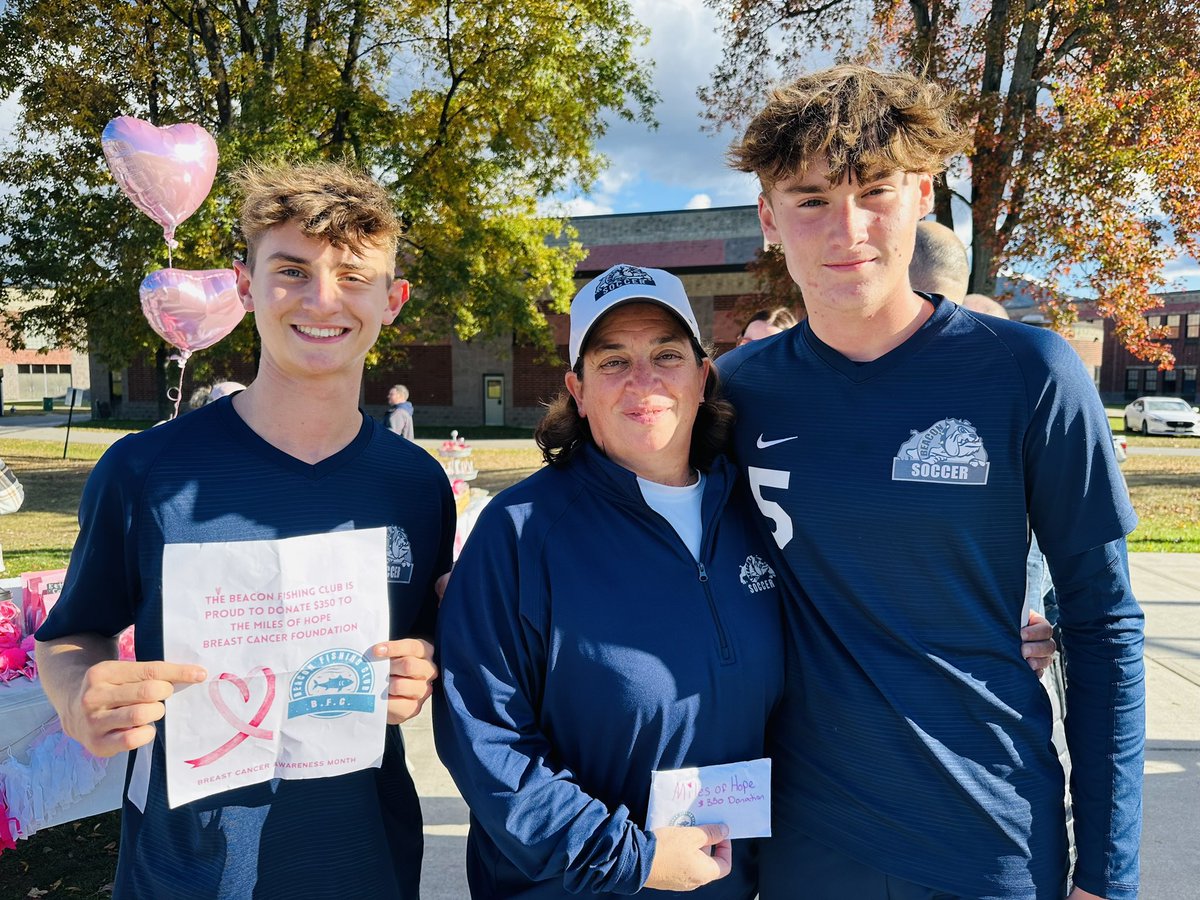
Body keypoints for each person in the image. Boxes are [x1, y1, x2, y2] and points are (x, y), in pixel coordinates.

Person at [722, 65, 1142, 900]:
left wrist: (1109, 872)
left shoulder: (1030, 374)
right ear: (769, 218)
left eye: (874, 190)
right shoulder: (737, 392)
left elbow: (1102, 624)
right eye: (809, 200)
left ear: (922, 193)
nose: (848, 230)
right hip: (807, 847)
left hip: (988, 841)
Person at [35, 162, 455, 899]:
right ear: (242, 285)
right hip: (188, 869)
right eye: (291, 270)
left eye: (353, 276)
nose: (322, 299)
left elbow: (424, 640)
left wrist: (423, 662)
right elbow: (73, 636)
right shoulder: (145, 470)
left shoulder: (416, 485)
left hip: (365, 862)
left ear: (393, 301)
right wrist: (77, 696)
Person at [433, 263, 784, 898]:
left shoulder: (757, 515)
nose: (643, 380)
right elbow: (486, 739)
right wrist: (635, 857)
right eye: (613, 360)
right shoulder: (519, 533)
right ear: (578, 389)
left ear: (704, 378)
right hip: (582, 884)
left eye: (667, 355)